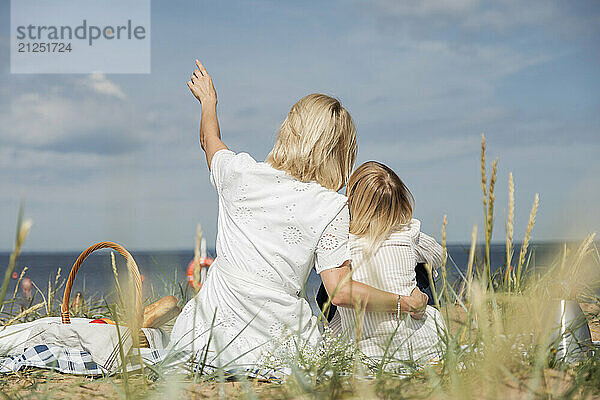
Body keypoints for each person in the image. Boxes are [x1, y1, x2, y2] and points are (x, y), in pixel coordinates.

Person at [170, 60, 429, 371]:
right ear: (339, 152)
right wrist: (404, 302)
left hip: (207, 338)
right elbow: (340, 291)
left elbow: (209, 142)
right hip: (277, 343)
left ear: (289, 130)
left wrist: (208, 102)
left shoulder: (239, 172)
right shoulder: (330, 206)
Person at [333, 161, 446, 366]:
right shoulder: (407, 231)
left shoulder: (339, 240)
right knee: (423, 268)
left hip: (367, 354)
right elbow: (439, 256)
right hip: (423, 347)